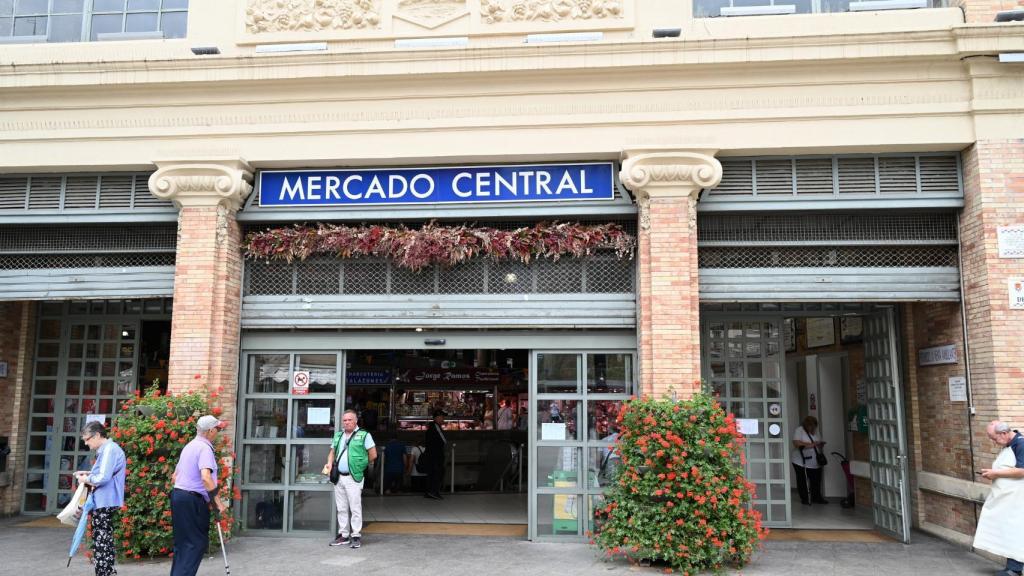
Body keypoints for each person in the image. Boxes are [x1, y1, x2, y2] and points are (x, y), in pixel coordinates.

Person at [170, 415, 228, 576]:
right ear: (210, 431)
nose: (218, 432)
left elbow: (175, 476)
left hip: (179, 496)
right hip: (191, 500)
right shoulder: (204, 448)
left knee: (183, 544)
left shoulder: (190, 446)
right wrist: (217, 502)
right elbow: (206, 477)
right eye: (218, 429)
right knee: (195, 544)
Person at [74, 421, 126, 576]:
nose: (85, 442)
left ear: (97, 435)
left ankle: (105, 573)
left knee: (101, 541)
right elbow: (105, 474)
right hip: (106, 499)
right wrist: (89, 474)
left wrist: (85, 479)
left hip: (105, 500)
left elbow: (103, 477)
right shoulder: (108, 449)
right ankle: (106, 572)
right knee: (103, 539)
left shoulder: (109, 450)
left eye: (87, 439)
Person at [974, 421, 1024, 576]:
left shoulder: (1021, 445)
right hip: (1008, 498)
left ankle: (1014, 569)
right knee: (1010, 531)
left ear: (1003, 433)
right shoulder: (1009, 445)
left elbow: (1022, 471)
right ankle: (1012, 567)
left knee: (1016, 531)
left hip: (1018, 498)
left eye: (994, 438)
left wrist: (996, 474)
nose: (993, 442)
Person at [323, 410, 376, 549]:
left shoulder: (364, 435)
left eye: (349, 420)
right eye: (344, 420)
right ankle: (344, 535)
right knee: (341, 508)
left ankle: (356, 535)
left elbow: (373, 454)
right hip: (339, 477)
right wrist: (329, 463)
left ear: (356, 421)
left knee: (355, 507)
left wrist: (360, 466)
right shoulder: (338, 435)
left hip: (354, 477)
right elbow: (332, 453)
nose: (346, 422)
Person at [791, 415, 828, 506]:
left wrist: (820, 444)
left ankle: (817, 497)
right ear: (806, 425)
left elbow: (817, 442)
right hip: (800, 461)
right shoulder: (799, 430)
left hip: (815, 461)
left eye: (814, 426)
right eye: (811, 426)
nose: (813, 428)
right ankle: (805, 498)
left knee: (816, 480)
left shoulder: (816, 432)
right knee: (802, 480)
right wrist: (813, 444)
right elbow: (796, 443)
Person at [423, 409, 448, 500]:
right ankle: (433, 491)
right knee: (437, 473)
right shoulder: (436, 427)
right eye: (442, 417)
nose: (443, 419)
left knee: (431, 473)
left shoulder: (431, 427)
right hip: (436, 455)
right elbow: (444, 440)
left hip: (431, 454)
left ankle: (429, 491)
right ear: (437, 417)